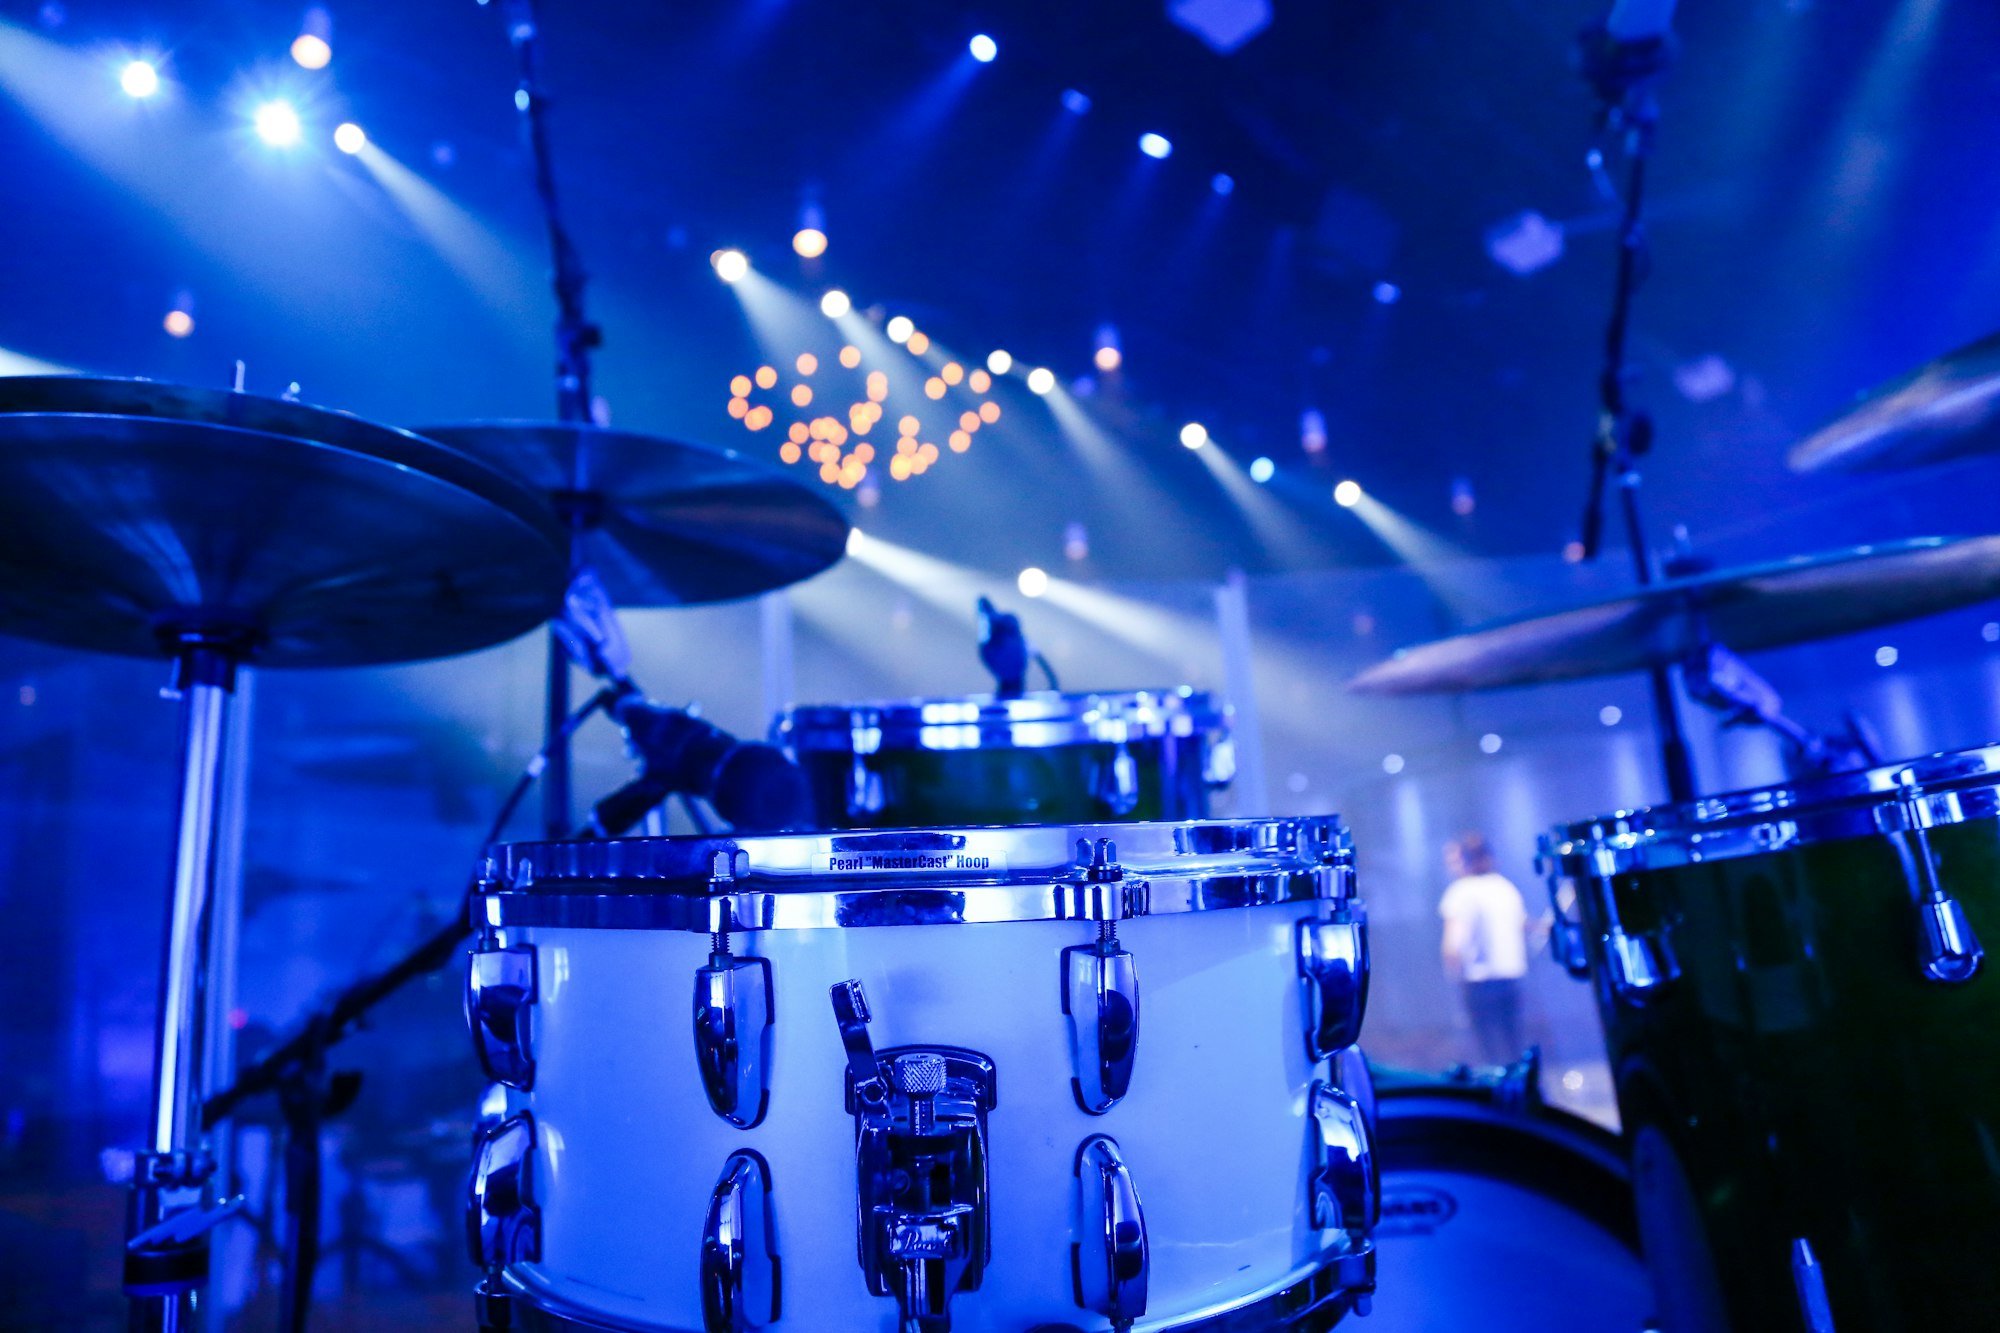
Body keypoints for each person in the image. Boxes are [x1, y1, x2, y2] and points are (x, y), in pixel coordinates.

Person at [1439, 832, 1531, 1066]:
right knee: (1514, 1043)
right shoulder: (1505, 887)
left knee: (1488, 1050)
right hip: (1511, 979)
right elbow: (1523, 926)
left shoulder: (1461, 891)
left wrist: (1454, 976)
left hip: (1478, 984)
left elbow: (1453, 945)